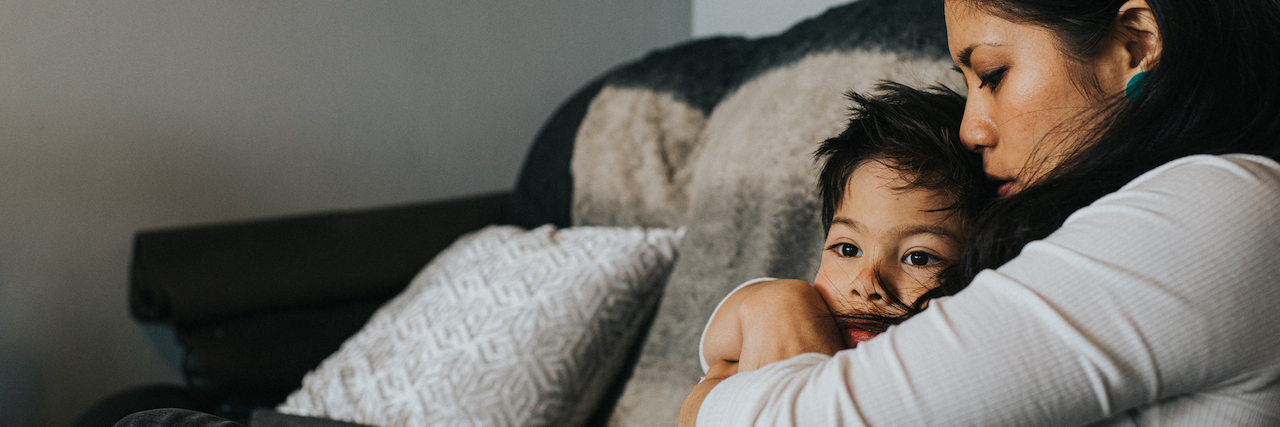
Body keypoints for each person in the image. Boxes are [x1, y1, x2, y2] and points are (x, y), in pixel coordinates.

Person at [686, 0, 1280, 426]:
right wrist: (772, 301)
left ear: (1136, 43)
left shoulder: (1222, 207)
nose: (972, 128)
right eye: (967, 84)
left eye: (993, 75)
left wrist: (707, 394)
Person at [679, 83, 994, 425]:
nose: (866, 283)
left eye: (918, 258)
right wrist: (778, 301)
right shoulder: (818, 315)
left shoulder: (956, 374)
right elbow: (715, 344)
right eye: (847, 249)